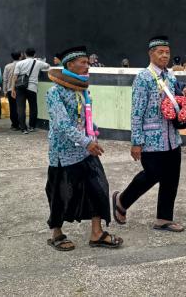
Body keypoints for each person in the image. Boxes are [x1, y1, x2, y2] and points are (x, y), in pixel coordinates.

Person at [112, 35, 186, 233]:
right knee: (152, 174)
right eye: (160, 52)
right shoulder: (143, 78)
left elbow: (177, 90)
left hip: (172, 138)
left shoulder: (170, 76)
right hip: (151, 138)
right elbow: (137, 111)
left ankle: (163, 219)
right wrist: (136, 142)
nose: (165, 56)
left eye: (167, 52)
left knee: (172, 177)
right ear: (151, 54)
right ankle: (122, 201)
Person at [45, 46, 122, 251]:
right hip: (63, 152)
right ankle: (57, 233)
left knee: (98, 187)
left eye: (88, 62)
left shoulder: (82, 89)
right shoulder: (55, 92)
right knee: (61, 193)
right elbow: (62, 124)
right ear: (70, 64)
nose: (88, 66)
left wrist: (93, 131)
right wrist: (86, 141)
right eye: (83, 62)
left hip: (85, 149)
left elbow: (83, 118)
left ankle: (96, 233)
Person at [12, 48, 50, 134]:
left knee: (21, 108)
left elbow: (14, 77)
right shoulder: (38, 63)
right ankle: (32, 126)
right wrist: (37, 60)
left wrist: (13, 89)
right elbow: (47, 66)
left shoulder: (19, 63)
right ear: (35, 54)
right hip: (32, 88)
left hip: (20, 87)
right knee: (33, 107)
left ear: (25, 54)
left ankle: (23, 128)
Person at [2, 52, 22, 130]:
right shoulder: (23, 65)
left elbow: (5, 79)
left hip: (10, 89)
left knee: (12, 107)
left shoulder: (7, 66)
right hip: (20, 89)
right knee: (21, 107)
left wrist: (5, 90)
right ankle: (21, 123)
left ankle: (14, 124)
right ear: (20, 56)